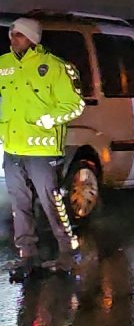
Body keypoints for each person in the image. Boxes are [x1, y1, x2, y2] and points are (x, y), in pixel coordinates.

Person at [0, 18, 86, 280]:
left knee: (52, 202)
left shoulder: (54, 68)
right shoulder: (3, 65)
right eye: (12, 34)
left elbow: (75, 105)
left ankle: (68, 252)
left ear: (33, 39)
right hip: (13, 148)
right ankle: (28, 255)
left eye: (19, 35)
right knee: (20, 204)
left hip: (42, 149)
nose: (13, 39)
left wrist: (50, 119)